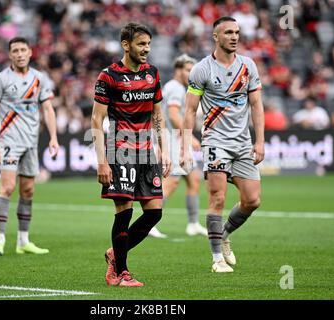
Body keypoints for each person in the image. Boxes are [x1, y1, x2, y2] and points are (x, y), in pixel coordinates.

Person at [181, 16, 265, 273]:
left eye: (237, 32)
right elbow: (189, 110)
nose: (234, 36)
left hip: (242, 143)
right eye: (228, 32)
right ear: (215, 37)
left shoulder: (248, 66)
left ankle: (225, 234)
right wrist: (185, 146)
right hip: (215, 141)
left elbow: (256, 105)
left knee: (252, 200)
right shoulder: (201, 70)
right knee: (217, 197)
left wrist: (260, 141)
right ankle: (217, 258)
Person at [91, 22, 170, 287]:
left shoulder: (153, 73)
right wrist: (102, 161)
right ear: (126, 45)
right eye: (141, 44)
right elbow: (96, 120)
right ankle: (121, 272)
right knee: (124, 211)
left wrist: (164, 148)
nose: (146, 49)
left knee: (154, 213)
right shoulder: (109, 76)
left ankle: (115, 253)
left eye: (148, 44)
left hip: (147, 151)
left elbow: (158, 115)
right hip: (120, 149)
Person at [0, 37, 59, 256]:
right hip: (9, 141)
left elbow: (48, 109)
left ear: (30, 52)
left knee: (28, 190)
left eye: (23, 49)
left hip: (31, 143)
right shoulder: (1, 79)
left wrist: (53, 137)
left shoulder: (39, 78)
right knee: (7, 188)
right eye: (15, 50)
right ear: (10, 55)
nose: (19, 53)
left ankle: (23, 241)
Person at [149, 54, 208, 238]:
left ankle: (192, 224)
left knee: (194, 178)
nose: (191, 74)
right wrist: (188, 137)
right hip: (173, 139)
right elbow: (173, 115)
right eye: (188, 70)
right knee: (171, 182)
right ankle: (149, 224)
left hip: (176, 139)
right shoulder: (175, 88)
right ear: (178, 70)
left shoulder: (178, 87)